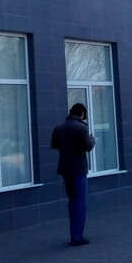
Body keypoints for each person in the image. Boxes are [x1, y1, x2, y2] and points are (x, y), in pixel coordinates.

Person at [51, 103, 95, 246]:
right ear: (81, 113)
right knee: (79, 203)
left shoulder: (59, 127)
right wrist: (92, 139)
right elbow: (88, 146)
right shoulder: (81, 128)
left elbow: (54, 145)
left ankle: (74, 234)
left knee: (72, 201)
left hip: (65, 169)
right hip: (78, 169)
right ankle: (77, 237)